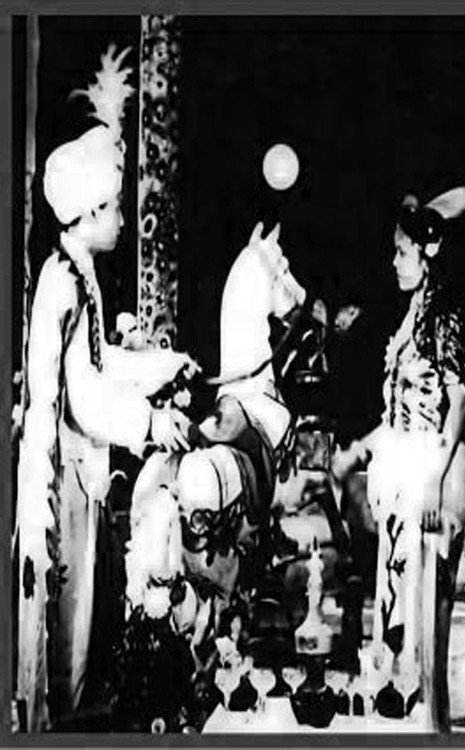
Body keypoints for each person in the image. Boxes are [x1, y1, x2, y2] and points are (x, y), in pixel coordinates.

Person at [15, 45, 197, 731]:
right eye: (116, 208)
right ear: (89, 213)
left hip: (83, 475)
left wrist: (164, 366)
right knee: (68, 637)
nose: (122, 218)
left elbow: (104, 361)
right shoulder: (62, 284)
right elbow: (84, 394)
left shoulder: (79, 275)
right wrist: (150, 425)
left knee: (86, 631)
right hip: (61, 478)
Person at [333, 186, 465, 731]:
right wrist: (358, 450)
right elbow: (396, 417)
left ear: (426, 252)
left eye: (401, 252)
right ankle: (408, 701)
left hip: (430, 471)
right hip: (402, 467)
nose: (394, 262)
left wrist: (435, 478)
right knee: (398, 589)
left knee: (427, 603)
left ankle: (432, 720)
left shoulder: (444, 315)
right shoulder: (409, 320)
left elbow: (458, 400)